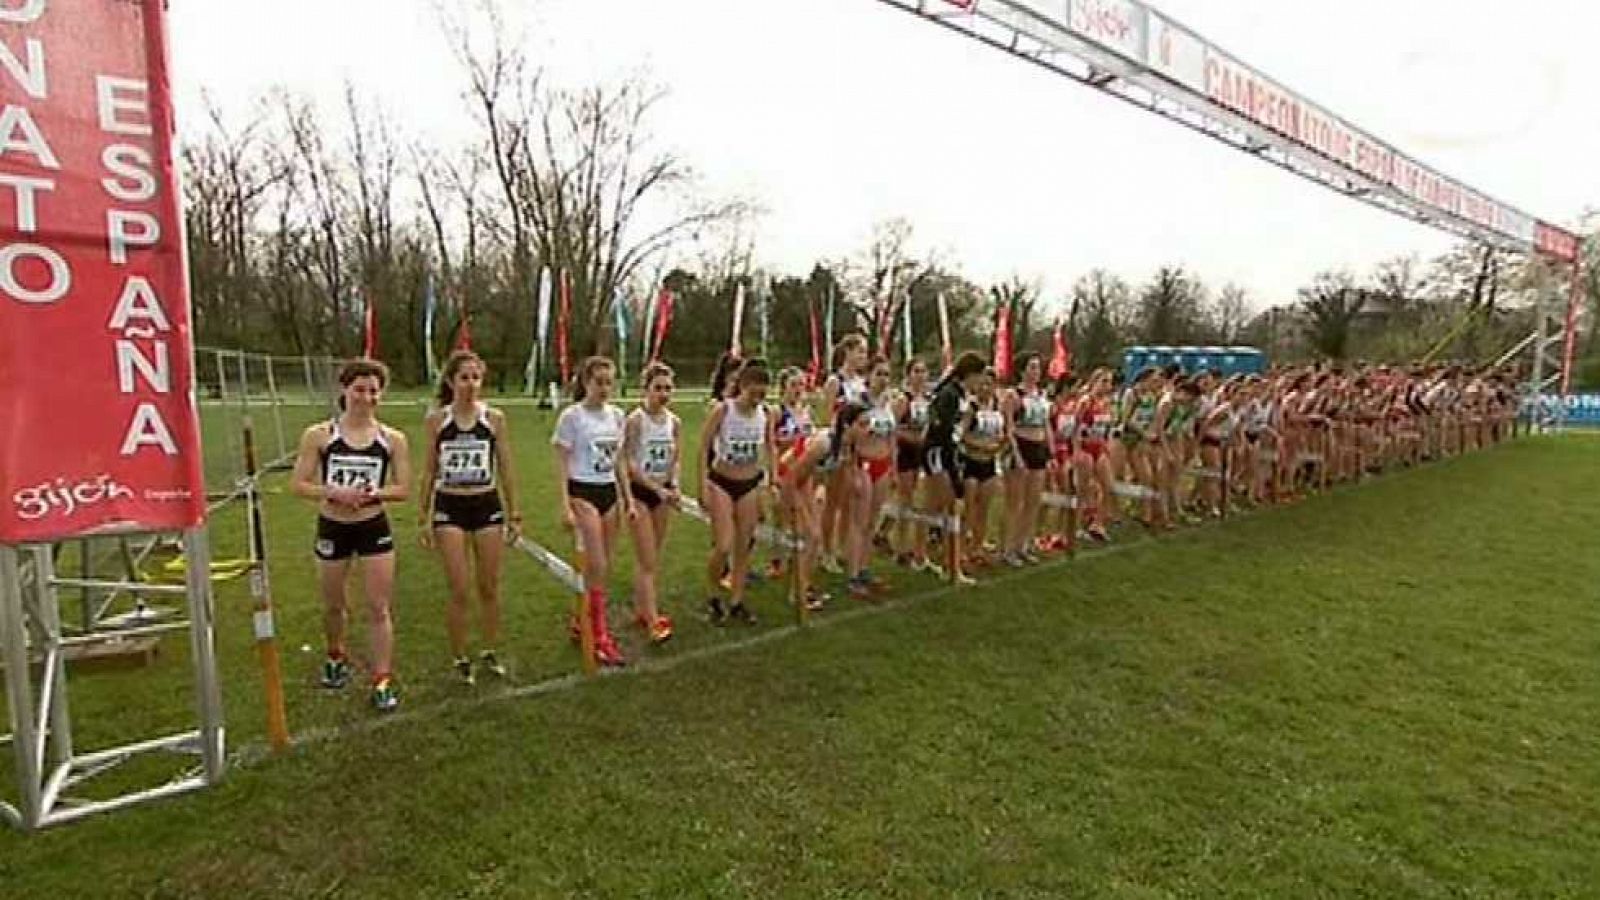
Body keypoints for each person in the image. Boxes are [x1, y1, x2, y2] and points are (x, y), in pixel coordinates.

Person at [291, 358, 413, 713]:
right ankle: (335, 655)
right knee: (334, 604)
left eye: (374, 390)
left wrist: (374, 494)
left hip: (373, 527)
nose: (367, 397)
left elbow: (403, 488)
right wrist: (334, 493)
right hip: (333, 527)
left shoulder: (393, 440)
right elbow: (298, 484)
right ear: (345, 390)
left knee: (378, 607)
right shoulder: (320, 435)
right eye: (359, 389)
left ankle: (382, 679)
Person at [417, 350, 520, 685]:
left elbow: (505, 467)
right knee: (459, 589)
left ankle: (489, 651)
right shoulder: (437, 420)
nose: (471, 384)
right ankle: (460, 656)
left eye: (476, 377)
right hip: (450, 508)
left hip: (486, 506)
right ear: (451, 381)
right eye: (464, 377)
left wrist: (514, 512)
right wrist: (423, 516)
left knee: (489, 586)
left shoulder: (495, 419)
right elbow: (429, 471)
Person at [553, 356, 634, 667]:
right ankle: (599, 635)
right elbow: (561, 461)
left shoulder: (617, 415)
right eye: (598, 382)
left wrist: (627, 499)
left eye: (608, 382)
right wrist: (564, 504)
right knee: (596, 563)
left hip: (608, 492)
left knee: (603, 567)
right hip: (582, 491)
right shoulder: (572, 417)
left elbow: (620, 460)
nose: (604, 388)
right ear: (585, 382)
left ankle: (581, 618)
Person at [699, 358, 778, 625]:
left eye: (762, 394)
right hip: (721, 481)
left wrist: (773, 481)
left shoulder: (765, 414)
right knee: (723, 544)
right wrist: (702, 486)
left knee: (743, 546)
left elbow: (770, 447)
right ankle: (712, 594)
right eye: (753, 393)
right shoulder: (724, 410)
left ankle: (736, 601)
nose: (757, 399)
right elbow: (703, 447)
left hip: (749, 483)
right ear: (742, 387)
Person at [781, 402, 870, 610]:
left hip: (807, 480)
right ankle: (798, 593)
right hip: (789, 477)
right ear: (847, 426)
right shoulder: (824, 443)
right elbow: (793, 477)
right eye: (862, 424)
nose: (868, 430)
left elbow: (839, 470)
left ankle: (804, 584)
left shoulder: (849, 446)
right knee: (812, 536)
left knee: (814, 536)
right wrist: (797, 506)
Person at [623, 362, 681, 645]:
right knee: (647, 559)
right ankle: (653, 620)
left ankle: (641, 609)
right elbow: (630, 464)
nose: (664, 393)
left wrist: (674, 487)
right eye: (658, 388)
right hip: (640, 493)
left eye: (668, 388)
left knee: (650, 558)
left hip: (663, 494)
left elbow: (675, 458)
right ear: (646, 389)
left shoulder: (674, 422)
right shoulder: (635, 420)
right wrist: (656, 488)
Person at [923, 351, 986, 585]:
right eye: (979, 376)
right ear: (970, 374)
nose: (981, 383)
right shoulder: (949, 394)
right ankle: (945, 560)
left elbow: (959, 430)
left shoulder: (962, 396)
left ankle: (947, 561)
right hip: (939, 453)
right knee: (950, 505)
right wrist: (954, 471)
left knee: (948, 508)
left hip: (950, 453)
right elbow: (943, 435)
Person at [846, 356, 898, 598]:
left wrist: (893, 467)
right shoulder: (858, 402)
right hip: (863, 463)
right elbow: (848, 439)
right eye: (879, 374)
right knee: (859, 520)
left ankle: (865, 567)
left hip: (883, 463)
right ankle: (853, 574)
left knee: (872, 520)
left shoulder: (887, 403)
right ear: (868, 376)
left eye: (887, 374)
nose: (884, 379)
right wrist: (853, 470)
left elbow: (891, 437)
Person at [1002, 352, 1053, 566]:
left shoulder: (1042, 395)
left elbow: (1046, 424)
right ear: (1022, 370)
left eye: (1038, 367)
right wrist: (1016, 455)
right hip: (1021, 446)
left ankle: (1023, 545)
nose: (1036, 372)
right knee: (1015, 502)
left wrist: (1050, 451)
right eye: (1031, 367)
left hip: (1038, 447)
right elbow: (1009, 428)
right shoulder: (1013, 396)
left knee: (1033, 500)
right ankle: (1008, 548)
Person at [960, 367, 1007, 567]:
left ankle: (978, 547)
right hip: (972, 461)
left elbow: (1003, 433)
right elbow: (962, 434)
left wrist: (999, 446)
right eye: (982, 384)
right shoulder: (971, 407)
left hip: (989, 463)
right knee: (969, 507)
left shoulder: (997, 406)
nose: (986, 388)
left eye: (990, 384)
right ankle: (961, 548)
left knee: (984, 509)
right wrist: (979, 445)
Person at [892, 357, 932, 570]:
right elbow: (892, 427)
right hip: (905, 452)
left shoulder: (927, 399)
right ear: (908, 375)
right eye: (916, 371)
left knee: (920, 500)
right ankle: (901, 546)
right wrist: (910, 437)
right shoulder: (903, 400)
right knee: (905, 499)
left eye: (923, 371)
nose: (920, 376)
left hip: (921, 452)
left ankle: (917, 546)